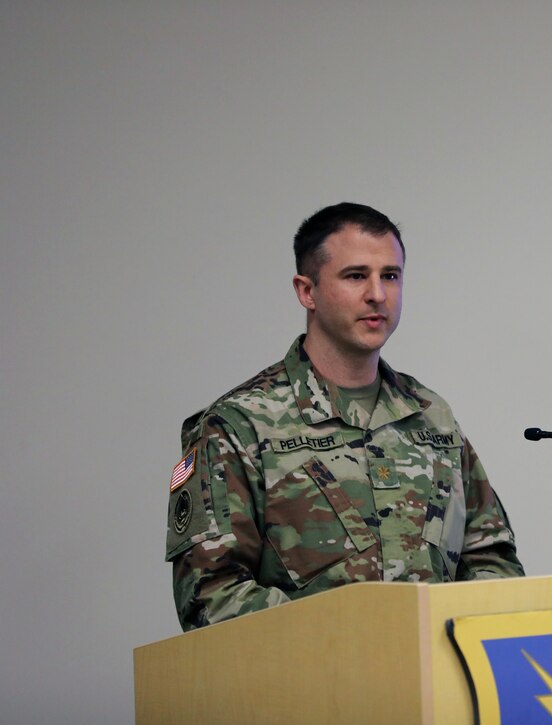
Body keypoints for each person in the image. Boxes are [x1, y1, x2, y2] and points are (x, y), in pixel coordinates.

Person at [166, 202, 523, 631]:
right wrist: (350, 637)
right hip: (312, 688)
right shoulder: (239, 425)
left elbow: (492, 557)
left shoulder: (432, 418)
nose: (377, 294)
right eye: (356, 276)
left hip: (434, 684)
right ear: (307, 291)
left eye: (390, 276)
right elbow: (211, 596)